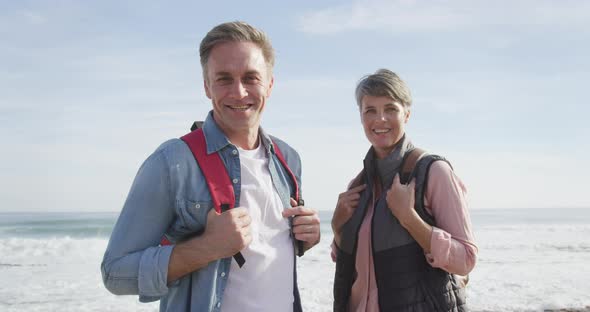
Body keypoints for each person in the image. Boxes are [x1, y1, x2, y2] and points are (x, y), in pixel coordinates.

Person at [101, 21, 321, 312]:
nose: (239, 92)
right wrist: (208, 247)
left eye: (251, 78)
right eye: (224, 79)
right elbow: (115, 272)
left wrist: (305, 238)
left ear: (270, 83)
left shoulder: (288, 159)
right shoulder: (173, 162)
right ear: (206, 86)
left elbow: (267, 254)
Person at [331, 69, 477, 311]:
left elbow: (466, 260)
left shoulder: (434, 172)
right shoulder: (357, 186)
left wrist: (409, 218)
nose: (380, 120)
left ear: (406, 114)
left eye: (390, 109)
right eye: (370, 111)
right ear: (361, 117)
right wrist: (337, 226)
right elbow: (354, 264)